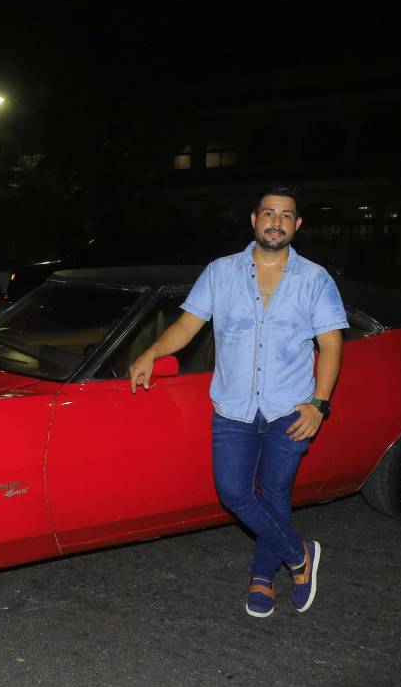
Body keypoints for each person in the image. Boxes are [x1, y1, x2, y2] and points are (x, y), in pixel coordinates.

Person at [128, 183, 348, 619]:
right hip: (233, 407)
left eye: (286, 216)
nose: (276, 222)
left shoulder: (315, 279)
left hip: (291, 406)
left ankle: (262, 576)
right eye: (269, 213)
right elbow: (188, 326)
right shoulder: (221, 272)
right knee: (233, 492)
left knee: (276, 492)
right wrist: (152, 352)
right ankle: (299, 553)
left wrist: (319, 404)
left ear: (297, 225)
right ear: (254, 219)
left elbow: (332, 344)